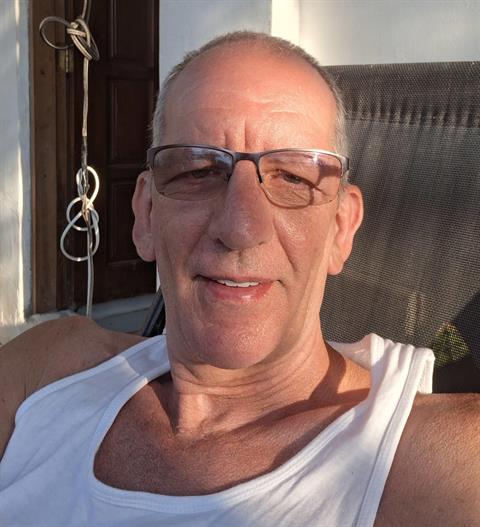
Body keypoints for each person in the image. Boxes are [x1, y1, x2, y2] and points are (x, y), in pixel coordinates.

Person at [0, 31, 479, 527]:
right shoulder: (51, 367)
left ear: (341, 228)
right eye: (198, 171)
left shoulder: (439, 464)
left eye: (293, 177)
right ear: (145, 215)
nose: (241, 229)